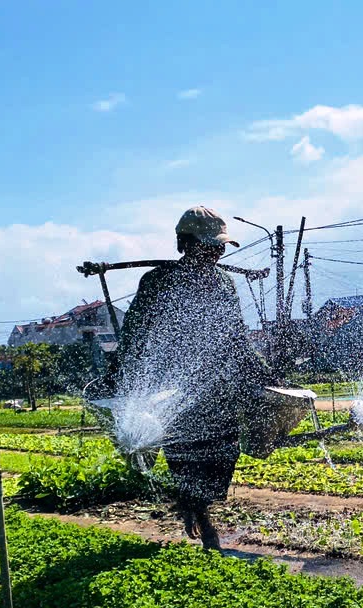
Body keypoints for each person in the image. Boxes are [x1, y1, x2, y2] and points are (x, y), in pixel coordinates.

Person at [116, 206, 276, 550]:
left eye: (220, 246)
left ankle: (196, 505)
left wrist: (262, 370)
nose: (217, 252)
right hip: (172, 389)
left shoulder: (224, 283)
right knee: (187, 454)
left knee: (223, 452)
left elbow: (235, 335)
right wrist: (120, 374)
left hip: (219, 387)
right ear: (185, 244)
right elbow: (134, 332)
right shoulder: (158, 282)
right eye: (209, 245)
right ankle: (204, 521)